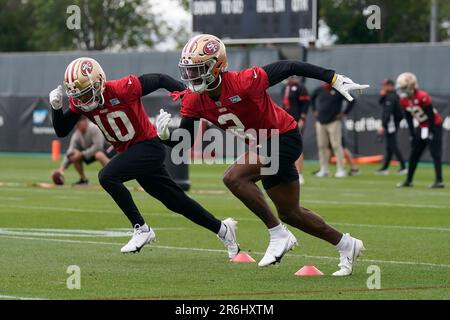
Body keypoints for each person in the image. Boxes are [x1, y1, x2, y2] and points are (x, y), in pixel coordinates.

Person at [158, 34, 368, 276]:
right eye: (189, 71)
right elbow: (183, 142)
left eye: (198, 70)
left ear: (216, 66)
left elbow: (290, 66)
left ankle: (278, 234)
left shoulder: (244, 81)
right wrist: (166, 137)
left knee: (233, 178)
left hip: (284, 138)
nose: (191, 77)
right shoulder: (194, 100)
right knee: (291, 213)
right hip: (264, 146)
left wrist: (333, 78)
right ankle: (347, 245)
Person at [49, 57, 239, 257]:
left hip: (149, 147)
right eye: (79, 96)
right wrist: (55, 107)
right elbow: (61, 130)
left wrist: (186, 93)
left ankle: (141, 228)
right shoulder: (81, 103)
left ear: (99, 83)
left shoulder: (123, 88)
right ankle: (223, 229)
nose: (83, 100)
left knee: (107, 176)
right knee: (176, 201)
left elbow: (158, 79)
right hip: (134, 154)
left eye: (87, 93)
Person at [396, 72, 445, 188]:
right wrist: (412, 134)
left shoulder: (422, 96)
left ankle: (439, 181)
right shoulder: (404, 101)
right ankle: (408, 180)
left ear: (411, 87)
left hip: (434, 125)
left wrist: (431, 132)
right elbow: (408, 119)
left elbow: (431, 116)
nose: (401, 91)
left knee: (435, 153)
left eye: (403, 88)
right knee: (414, 154)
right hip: (422, 126)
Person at [53, 116, 114, 186]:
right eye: (76, 124)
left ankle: (113, 176)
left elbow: (98, 147)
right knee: (74, 156)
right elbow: (70, 152)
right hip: (90, 153)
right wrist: (61, 169)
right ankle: (84, 180)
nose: (76, 126)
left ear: (85, 121)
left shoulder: (94, 128)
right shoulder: (77, 134)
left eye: (78, 123)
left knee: (99, 154)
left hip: (107, 150)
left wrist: (81, 154)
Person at [311, 82, 355, 178]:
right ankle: (324, 169)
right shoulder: (319, 89)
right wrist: (314, 110)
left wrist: (344, 113)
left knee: (336, 145)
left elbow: (352, 99)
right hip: (321, 122)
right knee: (322, 146)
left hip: (334, 121)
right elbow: (311, 98)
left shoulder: (338, 89)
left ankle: (341, 169)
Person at [281, 76, 310, 184]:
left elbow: (305, 104)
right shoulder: (285, 88)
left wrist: (302, 118)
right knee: (287, 145)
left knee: (297, 146)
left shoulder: (300, 87)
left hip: (297, 120)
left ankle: (299, 173)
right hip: (286, 121)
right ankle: (289, 173)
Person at [376, 79, 407, 175]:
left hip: (391, 124)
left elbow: (388, 113)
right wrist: (382, 95)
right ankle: (385, 168)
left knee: (393, 146)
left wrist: (383, 126)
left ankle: (403, 167)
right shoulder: (388, 95)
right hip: (391, 123)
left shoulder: (391, 97)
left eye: (385, 86)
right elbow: (380, 102)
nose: (383, 87)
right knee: (389, 147)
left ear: (390, 86)